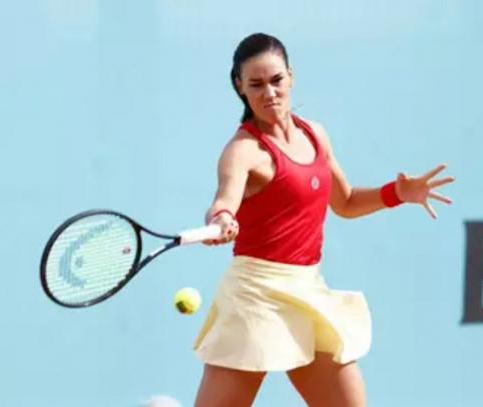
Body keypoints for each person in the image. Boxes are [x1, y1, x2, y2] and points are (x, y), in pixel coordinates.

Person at [191, 33, 455, 407]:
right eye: (256, 84)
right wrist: (221, 219)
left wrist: (397, 194)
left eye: (277, 80)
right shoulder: (243, 151)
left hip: (307, 290)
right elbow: (225, 199)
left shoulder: (315, 134)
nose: (269, 93)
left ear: (291, 76)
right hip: (255, 297)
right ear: (240, 87)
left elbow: (345, 202)